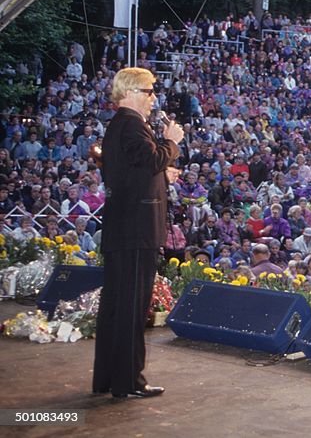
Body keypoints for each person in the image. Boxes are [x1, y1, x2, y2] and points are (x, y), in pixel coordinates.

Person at [92, 67, 183, 399]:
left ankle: (108, 378)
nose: (153, 98)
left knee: (116, 307)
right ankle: (129, 382)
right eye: (149, 91)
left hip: (124, 227)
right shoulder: (132, 124)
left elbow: (137, 171)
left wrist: (162, 177)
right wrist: (171, 143)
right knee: (131, 308)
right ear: (130, 92)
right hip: (135, 230)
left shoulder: (121, 125)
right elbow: (151, 156)